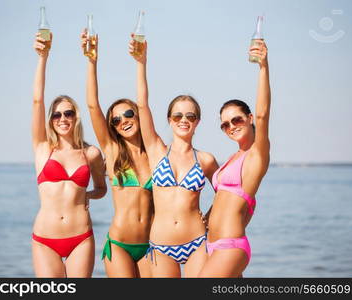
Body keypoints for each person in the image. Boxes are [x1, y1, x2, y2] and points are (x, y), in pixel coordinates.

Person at [131, 36, 219, 277]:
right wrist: (141, 63)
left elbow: (226, 195)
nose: (184, 120)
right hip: (161, 246)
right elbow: (142, 105)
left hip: (197, 243)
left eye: (190, 116)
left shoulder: (206, 160)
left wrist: (210, 216)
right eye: (178, 116)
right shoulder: (156, 149)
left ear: (197, 122)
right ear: (169, 120)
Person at [31, 32, 107, 278]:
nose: (62, 118)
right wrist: (43, 57)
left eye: (68, 113)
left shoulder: (91, 153)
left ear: (76, 117)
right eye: (56, 114)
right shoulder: (43, 148)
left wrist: (87, 194)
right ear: (50, 120)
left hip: (81, 238)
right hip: (45, 239)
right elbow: (37, 101)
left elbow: (102, 188)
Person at [81, 30, 154, 278]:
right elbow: (92, 104)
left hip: (151, 246)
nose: (123, 121)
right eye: (116, 120)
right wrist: (92, 60)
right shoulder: (112, 151)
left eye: (128, 114)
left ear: (138, 115)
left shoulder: (156, 152)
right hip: (119, 245)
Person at [198, 40, 270, 277]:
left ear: (249, 119)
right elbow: (226, 198)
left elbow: (263, 112)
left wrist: (263, 67)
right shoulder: (232, 158)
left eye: (237, 120)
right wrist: (208, 215)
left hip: (231, 246)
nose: (231, 126)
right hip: (213, 245)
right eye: (225, 124)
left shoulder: (257, 154)